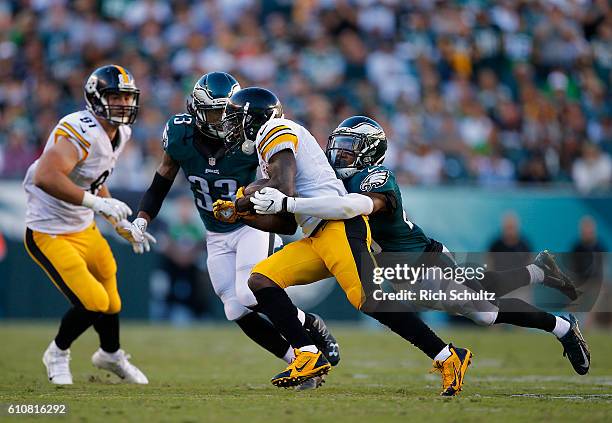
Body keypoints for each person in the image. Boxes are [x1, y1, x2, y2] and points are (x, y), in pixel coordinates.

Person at [252, 115, 591, 381]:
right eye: (339, 145)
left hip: (422, 260)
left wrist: (286, 202)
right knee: (482, 298)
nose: (340, 153)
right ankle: (540, 271)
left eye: (350, 147)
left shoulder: (377, 178)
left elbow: (352, 208)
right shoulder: (332, 178)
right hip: (397, 271)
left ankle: (559, 324)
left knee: (485, 312)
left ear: (369, 151)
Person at [213, 89, 472, 396]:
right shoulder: (265, 152)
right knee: (261, 280)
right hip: (317, 234)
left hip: (339, 227)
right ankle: (308, 352)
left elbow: (284, 189)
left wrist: (243, 201)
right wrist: (241, 216)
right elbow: (283, 220)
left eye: (235, 118)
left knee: (367, 299)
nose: (230, 125)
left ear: (254, 119)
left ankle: (448, 357)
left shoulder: (275, 129)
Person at [128, 73, 339, 389]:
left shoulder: (249, 140)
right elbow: (162, 179)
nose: (223, 122)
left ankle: (309, 329)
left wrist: (249, 202)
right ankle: (297, 362)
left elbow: (277, 181)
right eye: (215, 113)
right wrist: (143, 218)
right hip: (215, 232)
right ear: (197, 111)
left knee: (248, 291)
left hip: (251, 224)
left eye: (228, 113)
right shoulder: (180, 135)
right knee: (234, 308)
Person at [23, 65, 154, 385]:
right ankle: (57, 351)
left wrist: (115, 218)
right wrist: (96, 204)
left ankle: (110, 354)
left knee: (112, 295)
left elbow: (95, 181)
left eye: (127, 97)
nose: (124, 104)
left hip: (82, 226)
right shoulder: (80, 128)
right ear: (96, 99)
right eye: (115, 96)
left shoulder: (120, 133)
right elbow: (46, 176)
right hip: (49, 229)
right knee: (93, 301)